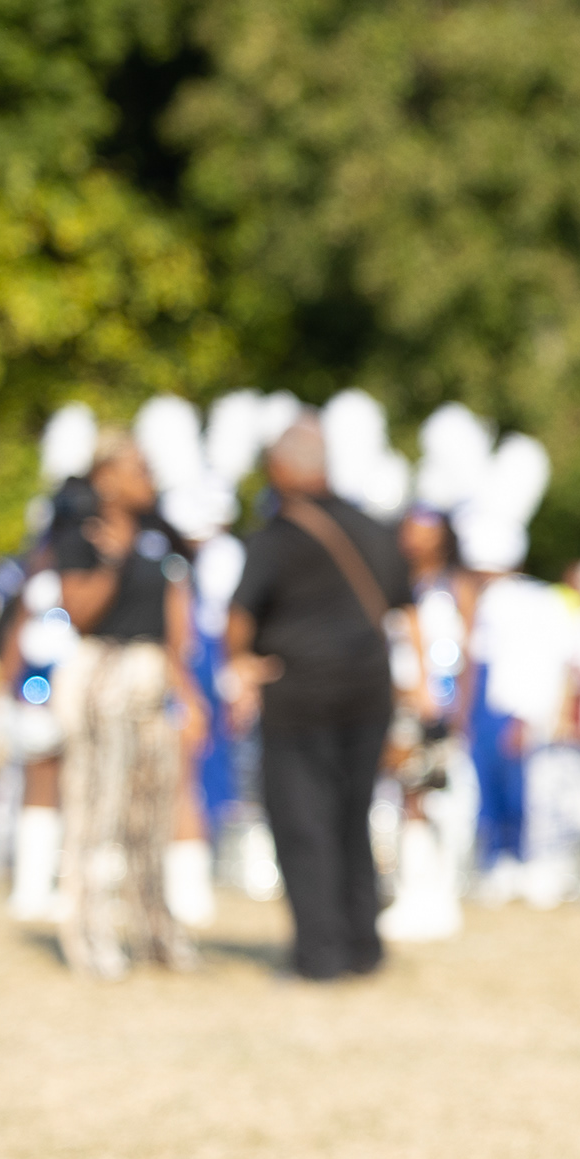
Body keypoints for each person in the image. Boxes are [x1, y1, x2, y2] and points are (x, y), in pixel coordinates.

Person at [225, 420, 409, 981]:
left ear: (282, 471)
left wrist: (242, 663)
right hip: (369, 691)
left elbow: (238, 619)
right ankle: (362, 948)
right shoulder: (377, 531)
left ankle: (320, 956)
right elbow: (404, 605)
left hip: (300, 694)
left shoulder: (277, 537)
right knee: (354, 818)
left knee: (305, 823)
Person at [51, 429, 202, 975]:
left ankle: (155, 931)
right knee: (97, 809)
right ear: (107, 478)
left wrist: (189, 695)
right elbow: (79, 614)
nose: (150, 479)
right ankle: (88, 933)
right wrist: (113, 562)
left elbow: (174, 623)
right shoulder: (78, 535)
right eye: (138, 468)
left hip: (151, 678)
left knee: (151, 811)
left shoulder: (160, 535)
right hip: (102, 678)